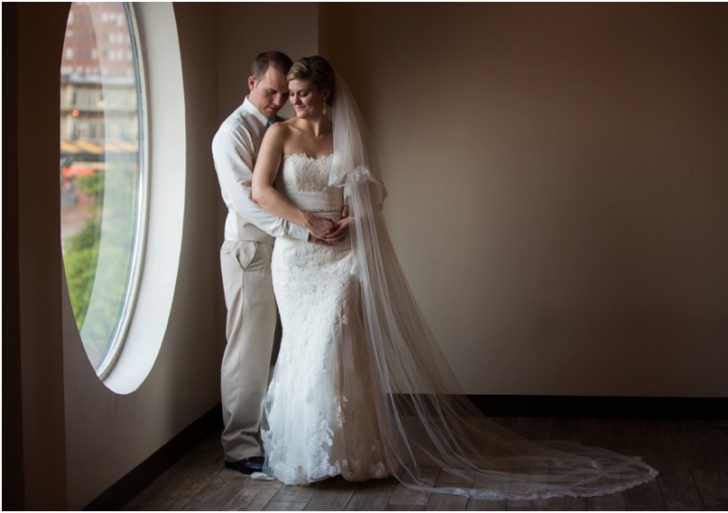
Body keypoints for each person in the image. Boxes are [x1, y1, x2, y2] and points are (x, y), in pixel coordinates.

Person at [250, 56, 658, 499]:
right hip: (298, 257)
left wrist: (355, 221)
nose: (293, 102)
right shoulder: (279, 133)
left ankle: (351, 452)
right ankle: (310, 453)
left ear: (325, 92)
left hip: (343, 255)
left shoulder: (344, 135)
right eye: (290, 95)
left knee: (339, 338)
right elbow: (260, 189)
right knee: (304, 346)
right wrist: (307, 222)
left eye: (302, 93)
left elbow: (367, 194)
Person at [211, 51, 348, 475]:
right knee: (248, 350)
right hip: (252, 250)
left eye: (283, 93)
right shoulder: (233, 133)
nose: (279, 101)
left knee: (293, 347)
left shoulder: (281, 128)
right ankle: (238, 447)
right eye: (271, 92)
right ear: (251, 84)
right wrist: (304, 227)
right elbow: (246, 200)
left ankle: (284, 434)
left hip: (289, 251)